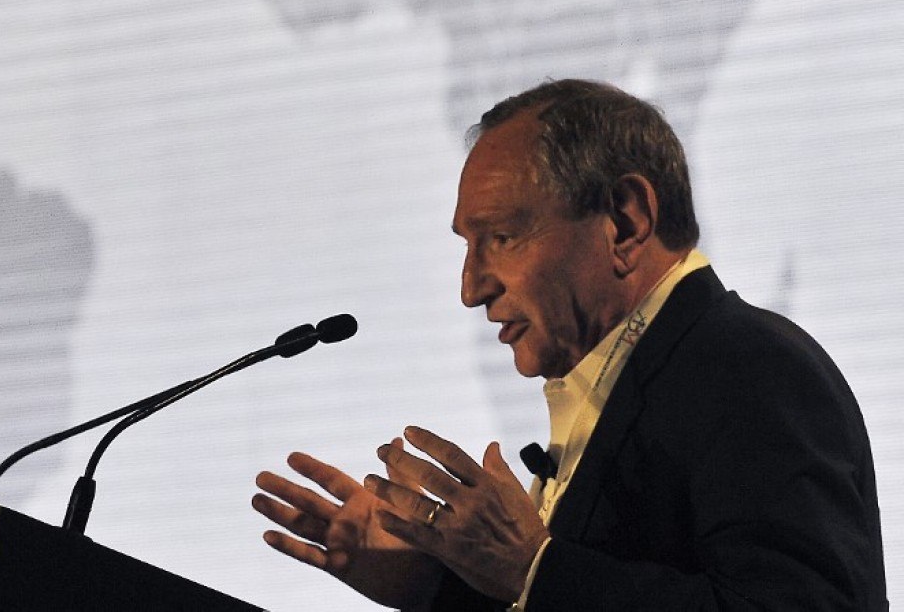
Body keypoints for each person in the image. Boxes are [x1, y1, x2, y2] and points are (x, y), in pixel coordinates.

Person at [252, 79, 887, 610]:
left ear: (626, 221)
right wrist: (441, 587)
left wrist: (535, 570)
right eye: (468, 247)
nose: (471, 289)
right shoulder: (638, 378)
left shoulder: (749, 366)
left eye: (502, 238)